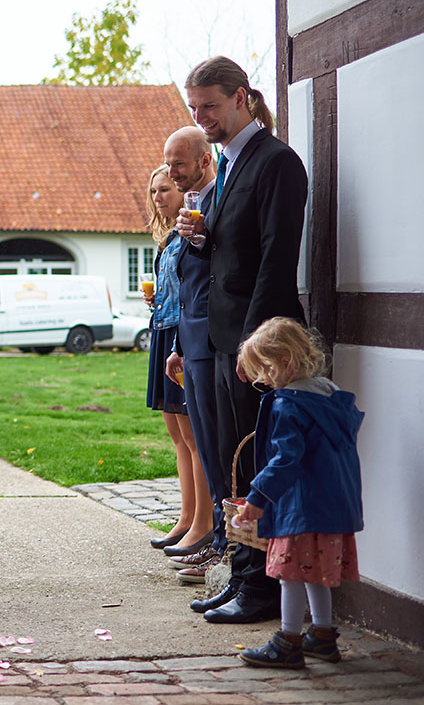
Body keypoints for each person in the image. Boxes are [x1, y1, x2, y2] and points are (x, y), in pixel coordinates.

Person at [177, 56, 307, 624]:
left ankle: (262, 593)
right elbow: (236, 255)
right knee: (237, 470)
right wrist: (203, 238)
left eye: (208, 105)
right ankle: (242, 577)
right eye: (194, 108)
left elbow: (277, 262)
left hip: (259, 347)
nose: (201, 117)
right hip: (230, 339)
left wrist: (252, 349)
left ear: (242, 98)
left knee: (256, 466)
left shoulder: (277, 162)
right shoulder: (230, 164)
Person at [234, 317, 363, 668]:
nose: (262, 379)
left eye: (265, 369)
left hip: (301, 509)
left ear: (286, 362)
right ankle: (322, 636)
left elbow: (285, 460)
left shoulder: (289, 404)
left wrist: (258, 498)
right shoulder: (331, 396)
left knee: (289, 574)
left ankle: (288, 641)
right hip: (335, 507)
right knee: (314, 573)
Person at [162, 128, 230, 595]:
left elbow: (219, 273)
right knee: (206, 443)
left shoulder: (218, 199)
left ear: (205, 161)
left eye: (179, 163)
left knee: (219, 447)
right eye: (168, 163)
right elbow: (191, 283)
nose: (171, 171)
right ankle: (215, 537)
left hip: (217, 339)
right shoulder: (194, 205)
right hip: (193, 342)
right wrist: (181, 347)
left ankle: (221, 542)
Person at [142, 166, 214, 566]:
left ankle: (202, 522)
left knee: (193, 434)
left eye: (164, 189)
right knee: (176, 431)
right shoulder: (167, 239)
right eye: (153, 191)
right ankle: (187, 516)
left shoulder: (188, 232)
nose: (158, 197)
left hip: (180, 334)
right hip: (164, 330)